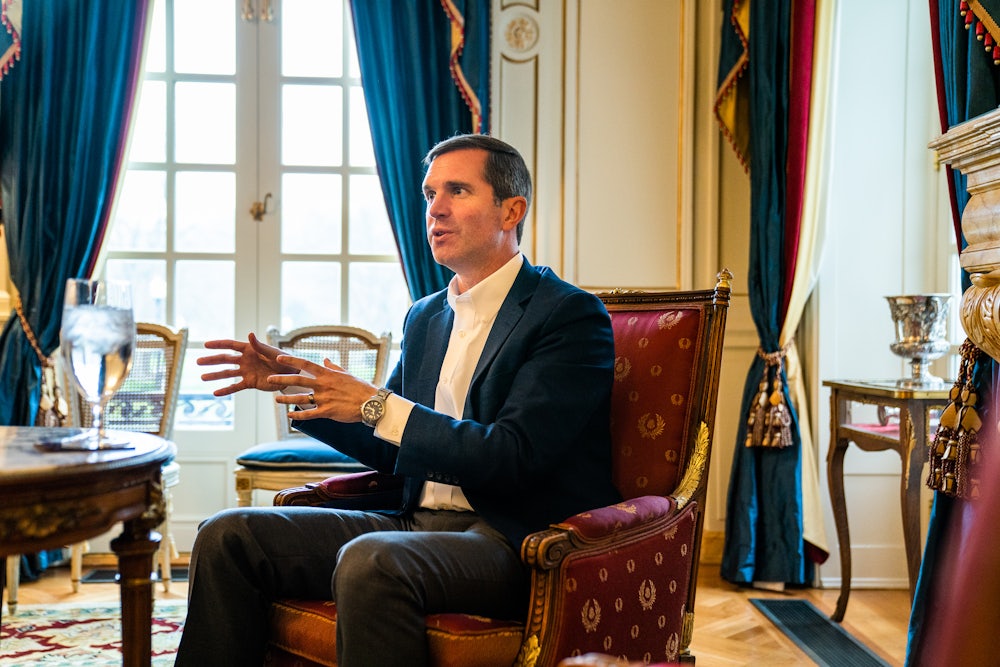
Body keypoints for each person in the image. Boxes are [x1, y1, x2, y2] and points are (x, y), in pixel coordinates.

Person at [174, 134, 622, 666]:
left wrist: (373, 403)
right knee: (227, 534)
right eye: (430, 193)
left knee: (372, 561)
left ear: (511, 210)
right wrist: (307, 391)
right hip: (412, 524)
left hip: (516, 541)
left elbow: (512, 456)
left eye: (458, 190)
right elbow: (392, 448)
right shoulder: (426, 315)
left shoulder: (568, 315)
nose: (436, 208)